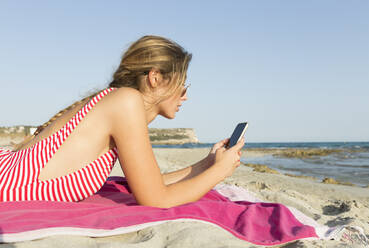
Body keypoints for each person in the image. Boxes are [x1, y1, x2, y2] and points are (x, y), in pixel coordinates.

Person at [0, 35, 245, 207]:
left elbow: (150, 184)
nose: (186, 95)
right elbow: (156, 199)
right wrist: (220, 172)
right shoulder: (126, 103)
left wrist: (208, 164)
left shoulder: (117, 102)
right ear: (155, 78)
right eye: (183, 85)